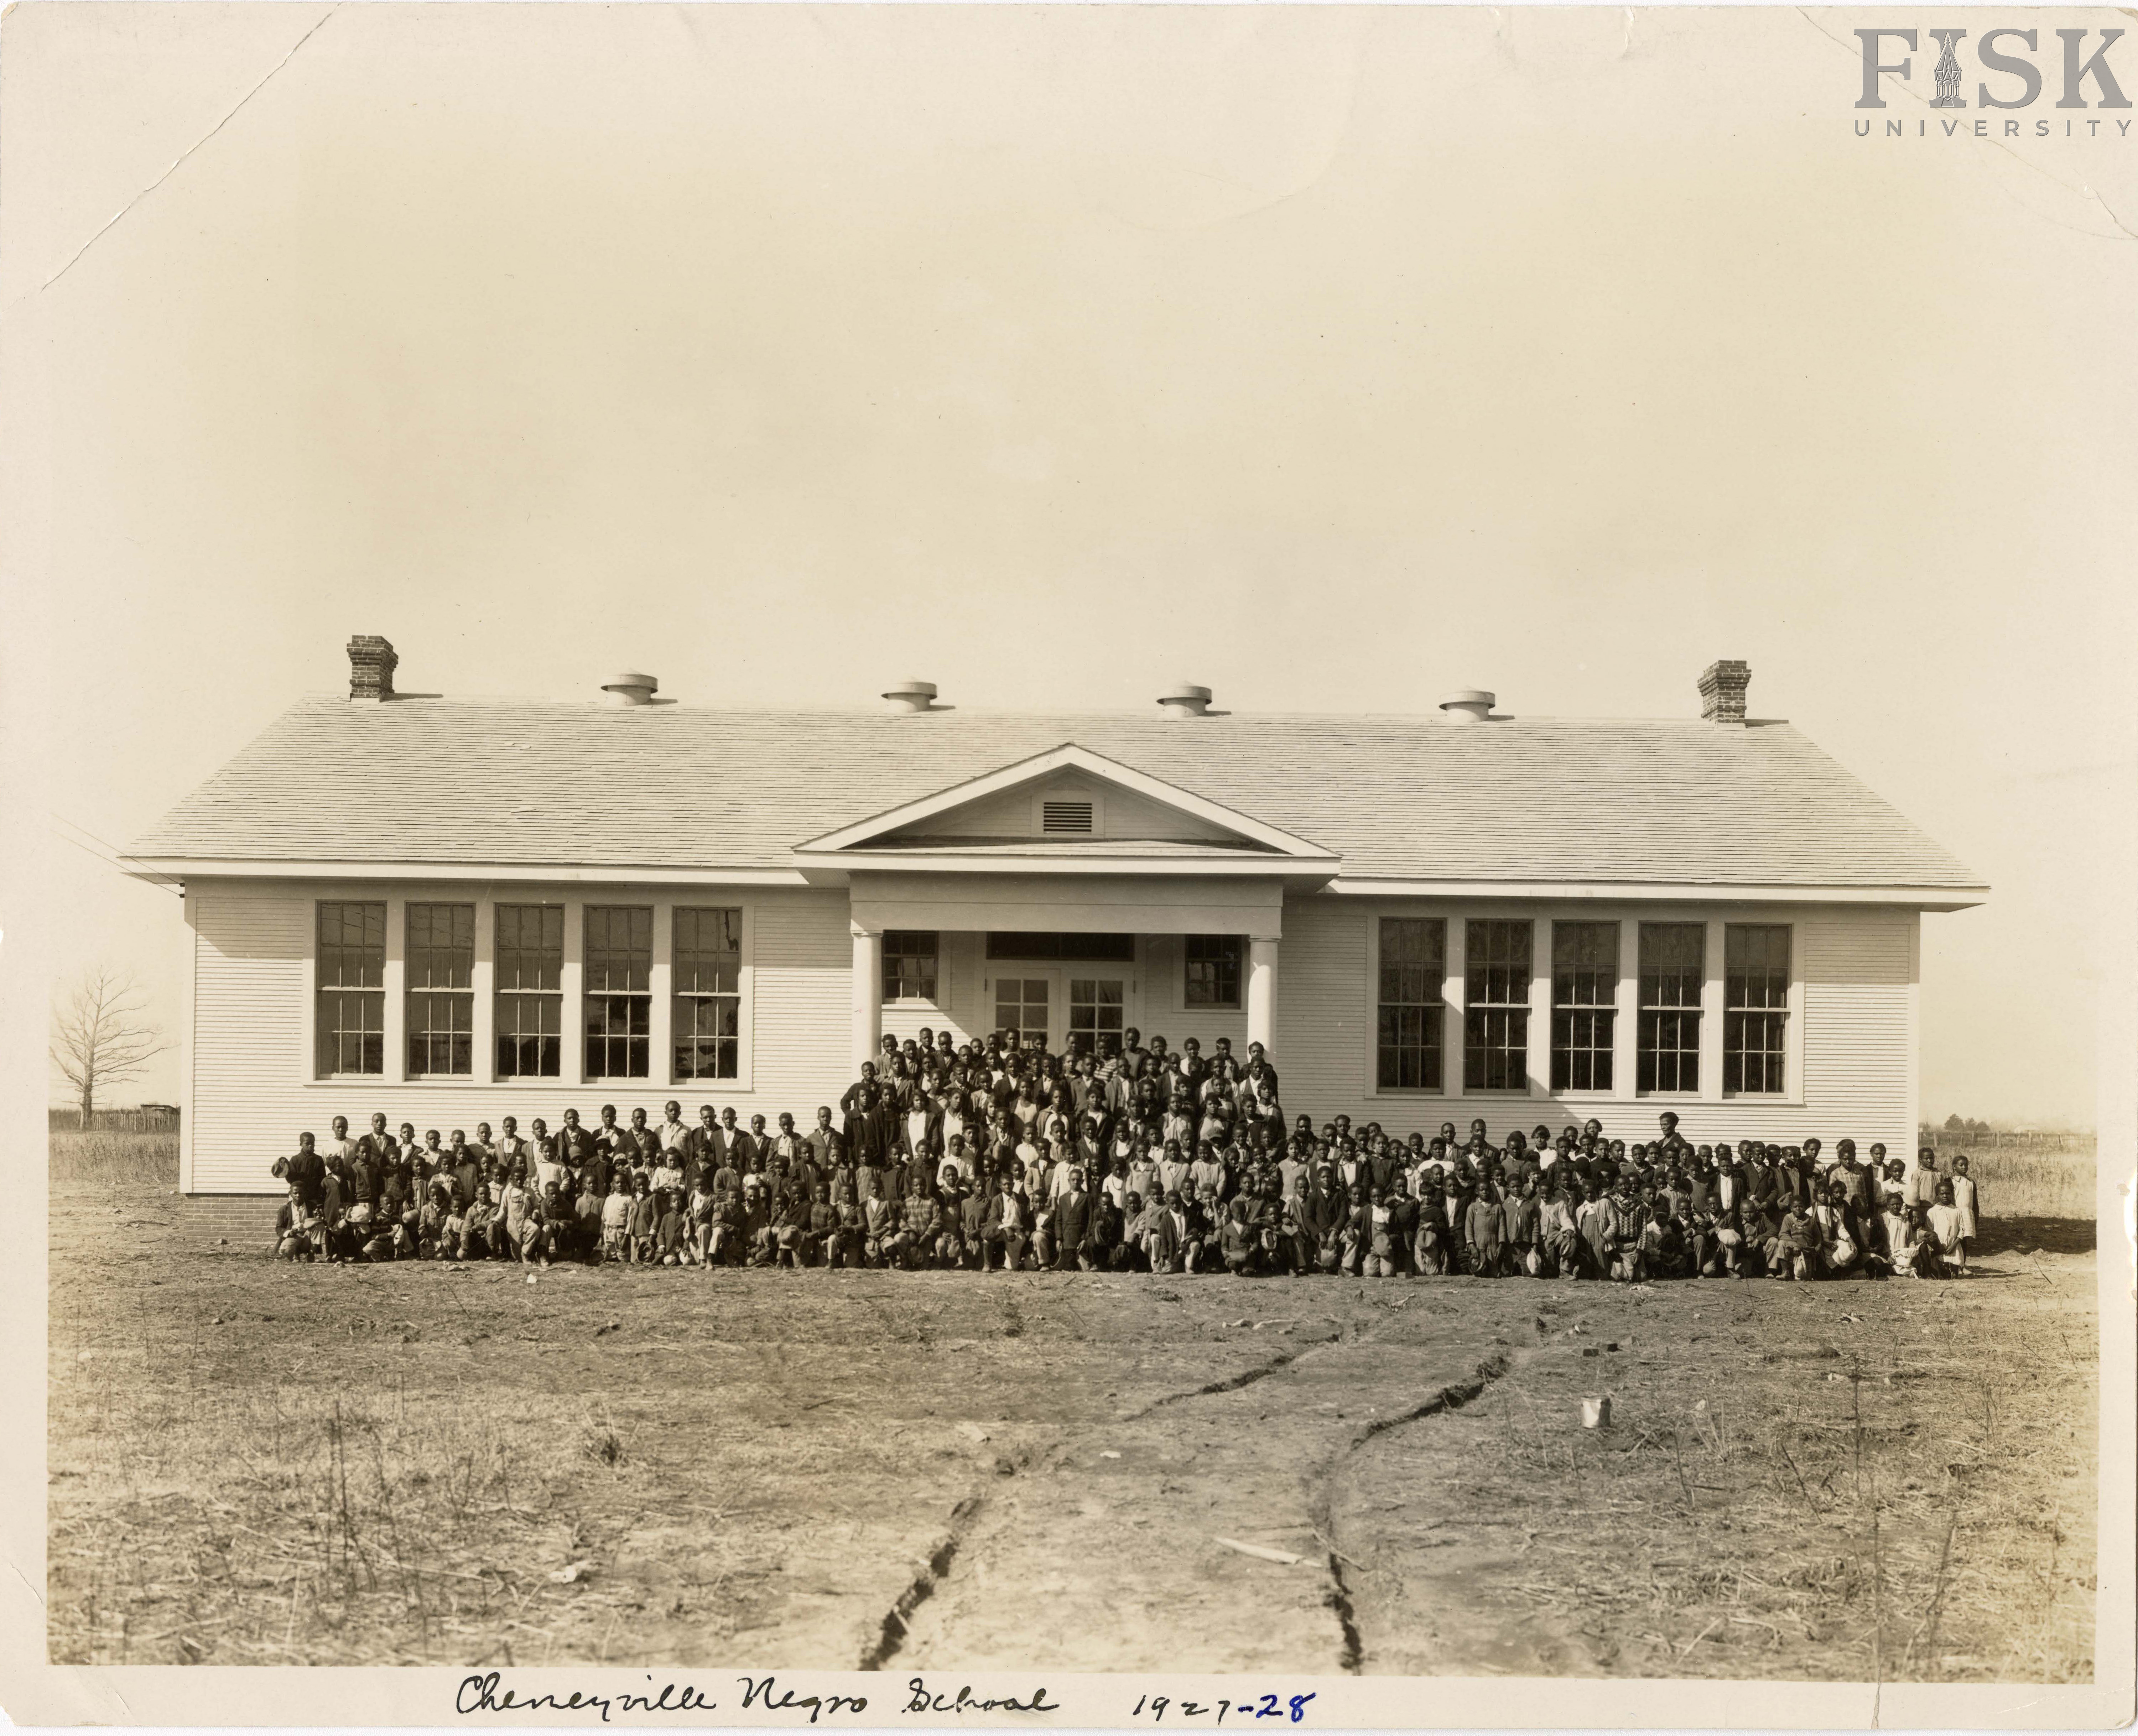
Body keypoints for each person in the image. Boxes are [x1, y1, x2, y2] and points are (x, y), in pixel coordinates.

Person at [1948, 1155, 1980, 1272]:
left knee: (1964, 1240)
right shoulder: (1950, 1181)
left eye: (1966, 1165)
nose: (1964, 1167)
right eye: (1961, 1165)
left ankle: (1963, 1266)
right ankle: (1953, 1266)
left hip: (1967, 1214)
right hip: (1955, 1214)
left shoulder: (1971, 1183)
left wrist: (1976, 1217)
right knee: (1954, 1239)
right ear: (1954, 1167)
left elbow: (1975, 1202)